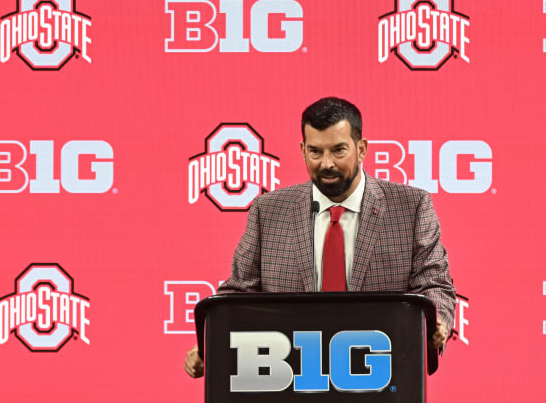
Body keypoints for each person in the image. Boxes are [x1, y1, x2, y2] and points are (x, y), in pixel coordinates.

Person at [185, 97, 456, 378]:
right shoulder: (267, 211)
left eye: (338, 150)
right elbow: (238, 294)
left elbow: (434, 283)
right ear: (302, 150)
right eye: (315, 151)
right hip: (290, 378)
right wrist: (210, 344)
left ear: (361, 149)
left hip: (381, 375)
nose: (326, 164)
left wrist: (436, 323)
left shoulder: (411, 206)